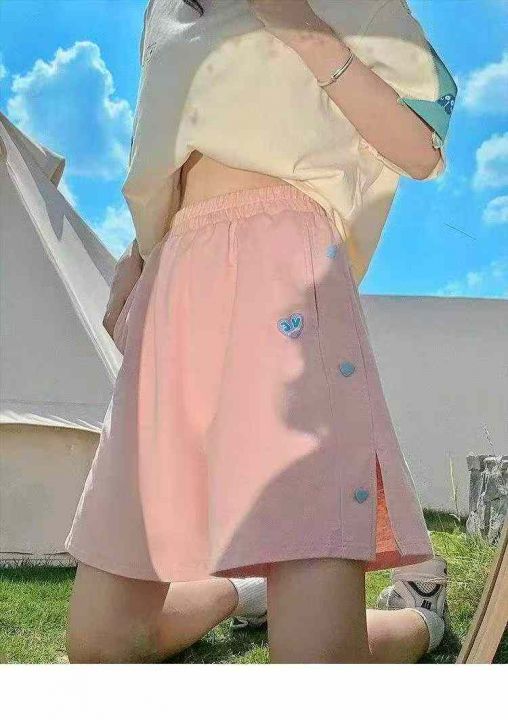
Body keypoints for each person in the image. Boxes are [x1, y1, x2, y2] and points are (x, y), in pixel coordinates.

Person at [65, 0, 455, 663]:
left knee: (314, 665)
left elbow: (423, 145)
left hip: (281, 272)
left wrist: (294, 18)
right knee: (101, 649)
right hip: (177, 280)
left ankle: (421, 621)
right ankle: (244, 593)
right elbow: (169, 145)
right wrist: (138, 259)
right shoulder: (167, 11)